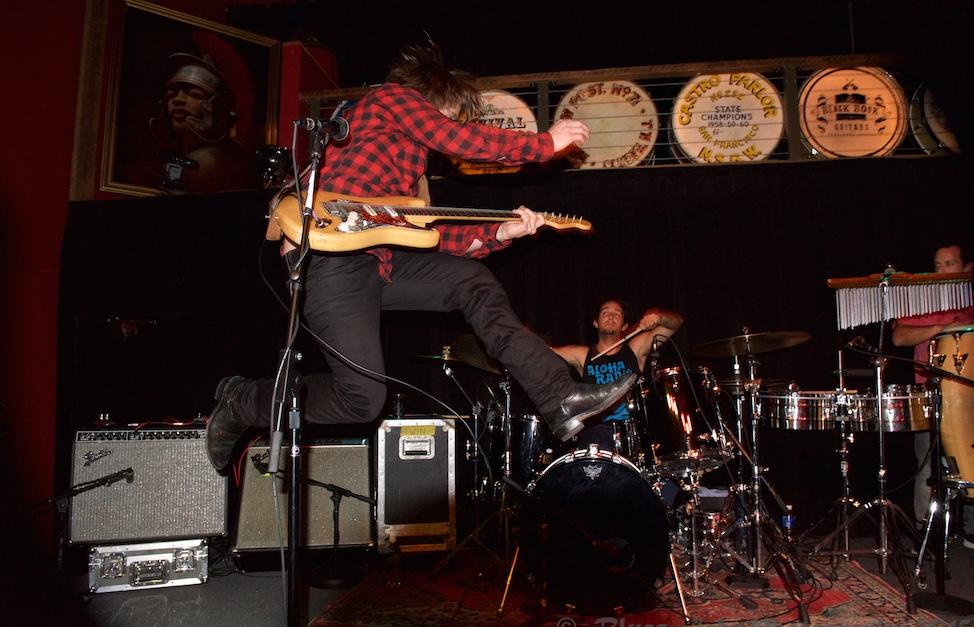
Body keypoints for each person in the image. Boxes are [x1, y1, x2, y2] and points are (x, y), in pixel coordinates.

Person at [205, 41, 635, 472]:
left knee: (473, 281)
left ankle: (558, 395)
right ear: (435, 97)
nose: (449, 127)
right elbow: (458, 139)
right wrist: (543, 143)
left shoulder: (411, 177)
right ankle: (243, 401)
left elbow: (429, 236)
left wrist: (501, 232)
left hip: (377, 264)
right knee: (362, 400)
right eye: (450, 114)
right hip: (327, 261)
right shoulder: (390, 100)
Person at [891, 242, 974, 547]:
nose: (940, 271)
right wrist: (943, 326)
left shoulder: (969, 298)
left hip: (970, 394)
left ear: (966, 267)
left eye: (948, 264)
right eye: (937, 265)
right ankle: (925, 532)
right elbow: (899, 337)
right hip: (932, 393)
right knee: (928, 464)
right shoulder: (923, 300)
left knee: (969, 461)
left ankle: (972, 531)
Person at [552, 298, 683, 451]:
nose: (611, 317)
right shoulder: (582, 355)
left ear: (624, 326)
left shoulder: (635, 349)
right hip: (597, 429)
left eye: (617, 314)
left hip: (635, 428)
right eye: (605, 312)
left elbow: (676, 322)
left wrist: (659, 317)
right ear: (596, 323)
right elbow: (543, 353)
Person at [148, 53, 259, 193]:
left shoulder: (211, 162)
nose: (177, 100)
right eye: (171, 95)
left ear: (216, 107)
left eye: (194, 94)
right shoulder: (175, 157)